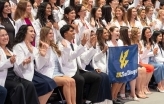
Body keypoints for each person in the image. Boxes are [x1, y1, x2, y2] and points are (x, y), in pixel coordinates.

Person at [13, 25, 57, 104]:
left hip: (34, 73)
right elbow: (19, 67)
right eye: (31, 31)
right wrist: (28, 57)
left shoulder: (33, 48)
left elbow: (39, 66)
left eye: (34, 31)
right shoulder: (18, 46)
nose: (33, 33)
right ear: (24, 33)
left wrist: (44, 54)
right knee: (45, 84)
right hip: (23, 74)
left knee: (51, 83)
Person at [59, 24, 101, 104]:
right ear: (65, 34)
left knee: (96, 77)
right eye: (71, 31)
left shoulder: (74, 45)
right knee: (80, 80)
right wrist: (82, 45)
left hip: (78, 70)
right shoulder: (61, 45)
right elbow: (70, 57)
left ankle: (89, 101)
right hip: (68, 72)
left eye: (74, 31)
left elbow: (85, 59)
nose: (74, 33)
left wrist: (93, 47)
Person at [0, 27, 39, 104]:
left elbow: (17, 66)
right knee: (19, 86)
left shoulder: (10, 50)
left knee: (29, 84)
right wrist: (9, 61)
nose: (5, 37)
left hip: (14, 76)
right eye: (2, 35)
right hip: (5, 78)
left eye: (6, 35)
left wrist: (23, 63)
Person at [39, 26, 76, 104]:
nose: (52, 35)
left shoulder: (54, 47)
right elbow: (43, 64)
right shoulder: (40, 47)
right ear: (44, 34)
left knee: (72, 81)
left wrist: (66, 48)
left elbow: (64, 61)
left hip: (59, 72)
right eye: (50, 33)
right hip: (49, 74)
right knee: (67, 81)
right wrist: (46, 51)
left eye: (52, 33)